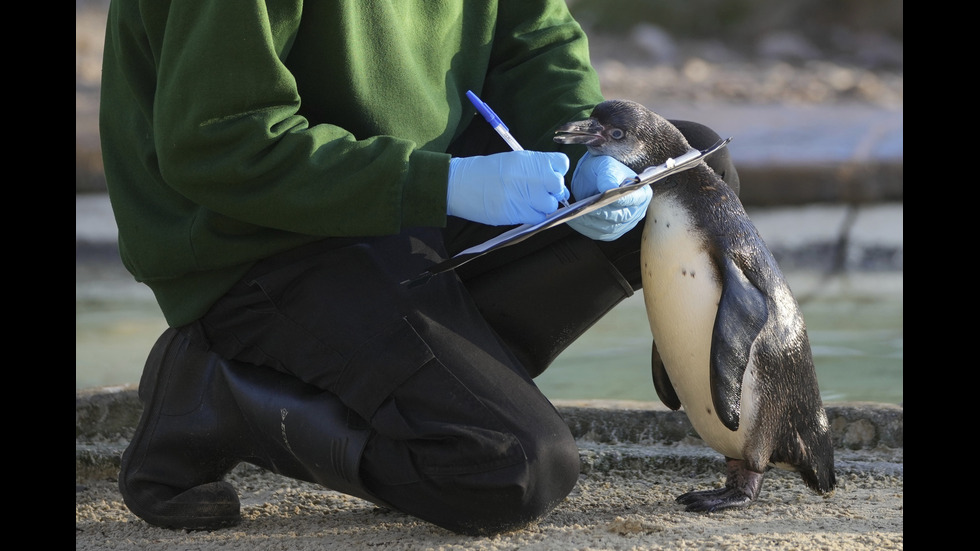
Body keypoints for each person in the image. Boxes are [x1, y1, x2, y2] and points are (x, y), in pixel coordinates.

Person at [100, 0, 740, 536]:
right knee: (511, 468)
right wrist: (443, 184)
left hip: (415, 202)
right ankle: (215, 391)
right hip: (260, 241)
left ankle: (424, 385)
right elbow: (219, 142)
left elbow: (532, 43)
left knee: (684, 179)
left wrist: (586, 152)